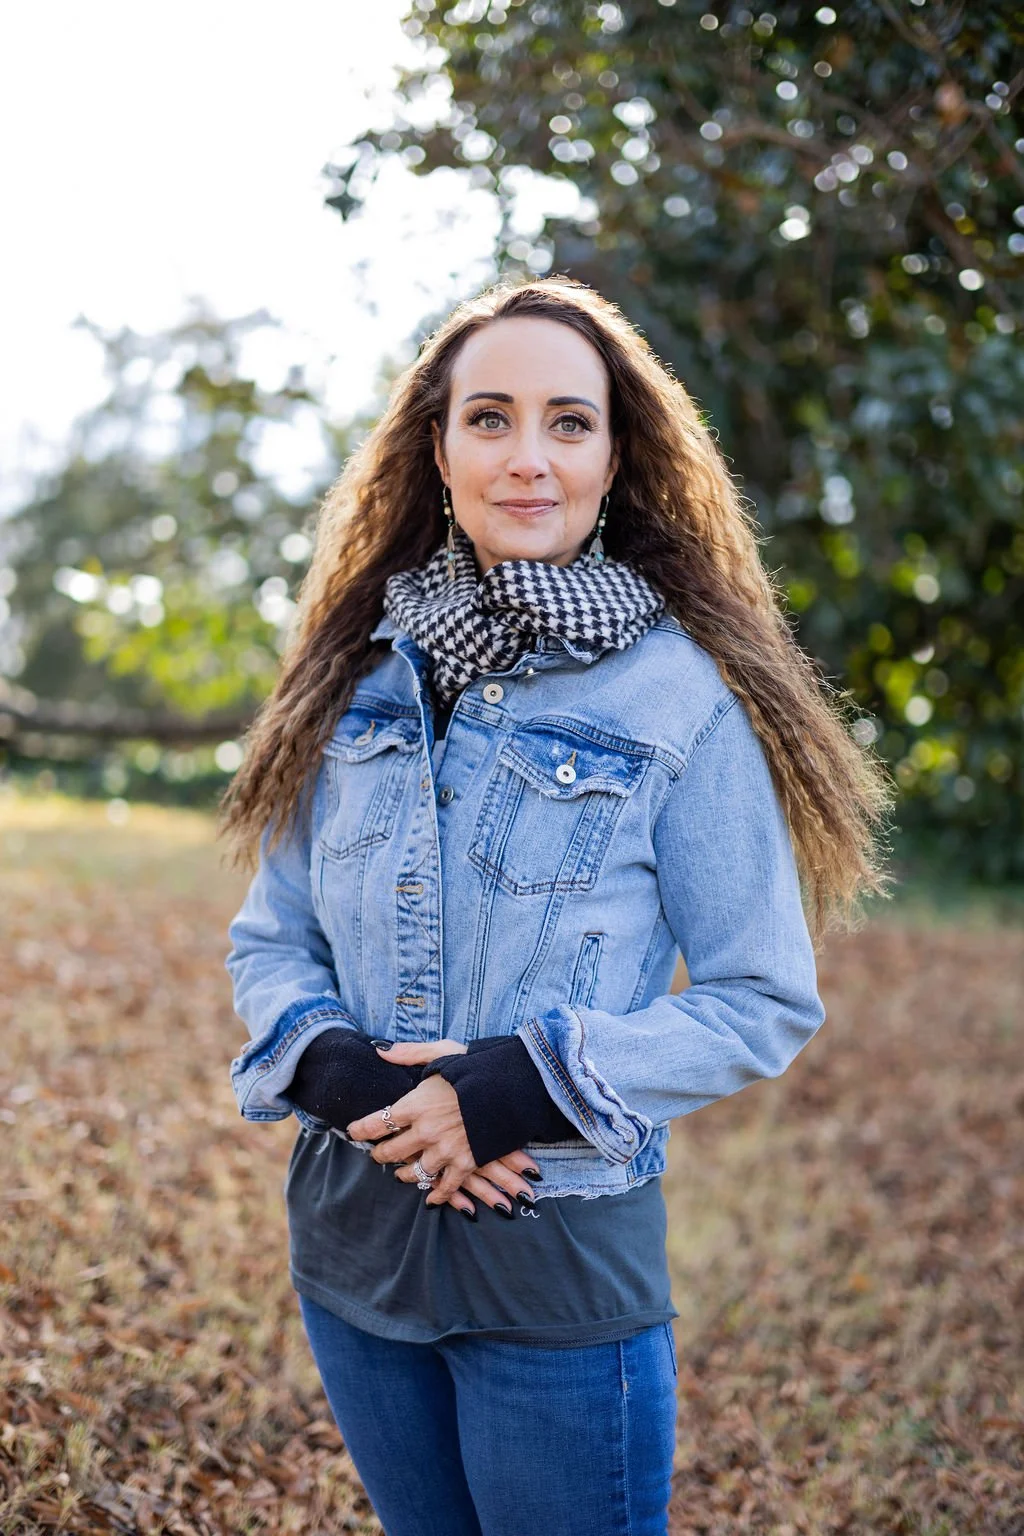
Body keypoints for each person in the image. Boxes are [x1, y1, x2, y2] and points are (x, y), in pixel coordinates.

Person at [217, 275, 892, 1536]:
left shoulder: (681, 700)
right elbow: (273, 938)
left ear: (614, 456)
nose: (528, 457)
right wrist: (368, 1092)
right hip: (351, 1247)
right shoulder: (357, 674)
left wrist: (502, 1092)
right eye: (490, 418)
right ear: (437, 449)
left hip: (556, 1258)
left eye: (568, 423)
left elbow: (761, 998)